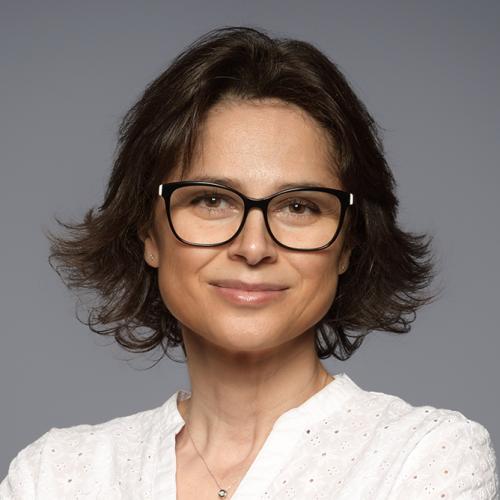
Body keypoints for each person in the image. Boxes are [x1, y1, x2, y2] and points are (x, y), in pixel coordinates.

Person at [1, 26, 498, 499]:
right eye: (211, 200)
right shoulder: (55, 474)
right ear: (148, 232)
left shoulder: (426, 457)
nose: (254, 247)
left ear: (348, 244)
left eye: (299, 206)